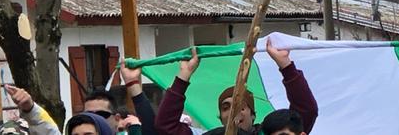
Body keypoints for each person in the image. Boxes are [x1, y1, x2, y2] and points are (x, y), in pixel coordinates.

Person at [125, 39, 318, 135]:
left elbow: (306, 110)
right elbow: (165, 127)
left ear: (253, 114)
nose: (234, 111)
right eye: (226, 107)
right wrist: (184, 75)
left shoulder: (268, 130)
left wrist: (286, 66)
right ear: (220, 116)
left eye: (241, 106)